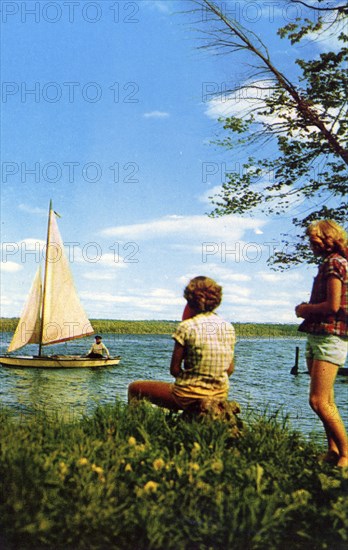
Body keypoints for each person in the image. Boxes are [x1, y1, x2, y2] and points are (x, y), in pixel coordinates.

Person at [128, 276, 236, 410]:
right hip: (219, 395)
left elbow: (174, 370)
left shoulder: (187, 326)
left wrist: (191, 380)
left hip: (187, 396)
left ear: (190, 300)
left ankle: (133, 426)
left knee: (134, 388)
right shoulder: (228, 327)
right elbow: (230, 369)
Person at [295, 220, 348, 468]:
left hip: (330, 336)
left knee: (318, 401)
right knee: (327, 400)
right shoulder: (329, 263)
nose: (310, 243)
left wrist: (305, 309)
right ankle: (332, 450)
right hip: (318, 335)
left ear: (326, 238)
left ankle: (346, 454)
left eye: (313, 239)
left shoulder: (335, 263)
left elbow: (333, 306)